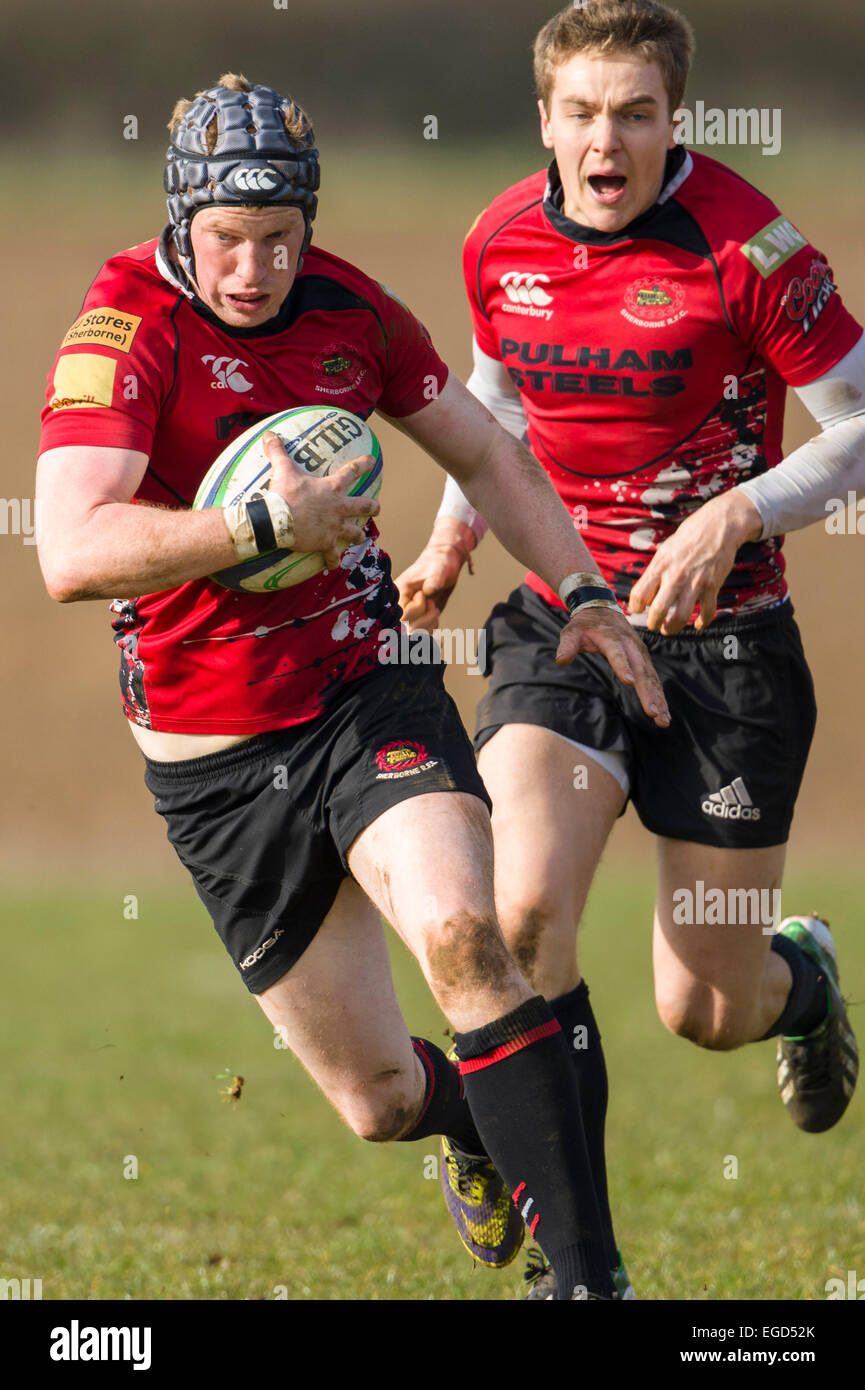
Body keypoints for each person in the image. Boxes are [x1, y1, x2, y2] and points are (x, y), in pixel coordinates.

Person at [35, 73, 671, 1301]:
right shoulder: (123, 329)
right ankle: (485, 1133)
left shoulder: (352, 313)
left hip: (362, 692)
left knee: (462, 935)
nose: (254, 270)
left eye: (280, 239)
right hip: (213, 764)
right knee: (379, 1101)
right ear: (181, 220)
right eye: (228, 239)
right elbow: (72, 550)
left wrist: (585, 592)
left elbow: (486, 448)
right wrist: (263, 524)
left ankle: (590, 1283)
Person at [397, 0, 862, 1297]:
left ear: (675, 121)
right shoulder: (500, 236)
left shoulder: (751, 248)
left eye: (637, 113)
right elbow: (492, 401)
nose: (609, 139)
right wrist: (447, 541)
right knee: (523, 912)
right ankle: (576, 1260)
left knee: (702, 1003)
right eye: (584, 113)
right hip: (566, 616)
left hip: (729, 649)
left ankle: (803, 981)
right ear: (546, 119)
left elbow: (860, 423)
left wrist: (738, 509)